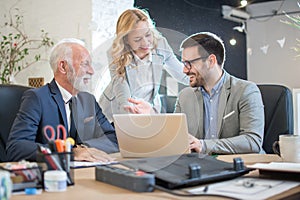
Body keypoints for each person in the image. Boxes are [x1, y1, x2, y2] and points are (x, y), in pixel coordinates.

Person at [125, 32, 265, 154]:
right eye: (184, 63)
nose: (185, 71)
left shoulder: (246, 91)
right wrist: (153, 117)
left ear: (211, 61)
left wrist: (203, 145)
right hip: (203, 167)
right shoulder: (185, 95)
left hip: (243, 168)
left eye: (189, 64)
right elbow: (176, 137)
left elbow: (252, 141)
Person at [6, 38, 118, 162]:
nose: (91, 71)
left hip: (84, 172)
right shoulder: (37, 98)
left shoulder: (88, 100)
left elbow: (112, 138)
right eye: (85, 64)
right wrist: (69, 152)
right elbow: (16, 147)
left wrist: (83, 149)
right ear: (63, 67)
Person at [99, 8, 189, 123]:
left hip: (147, 108)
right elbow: (120, 86)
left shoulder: (160, 44)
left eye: (148, 35)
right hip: (117, 110)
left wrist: (202, 80)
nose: (146, 43)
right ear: (126, 40)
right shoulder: (116, 51)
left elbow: (181, 73)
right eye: (137, 39)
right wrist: (130, 111)